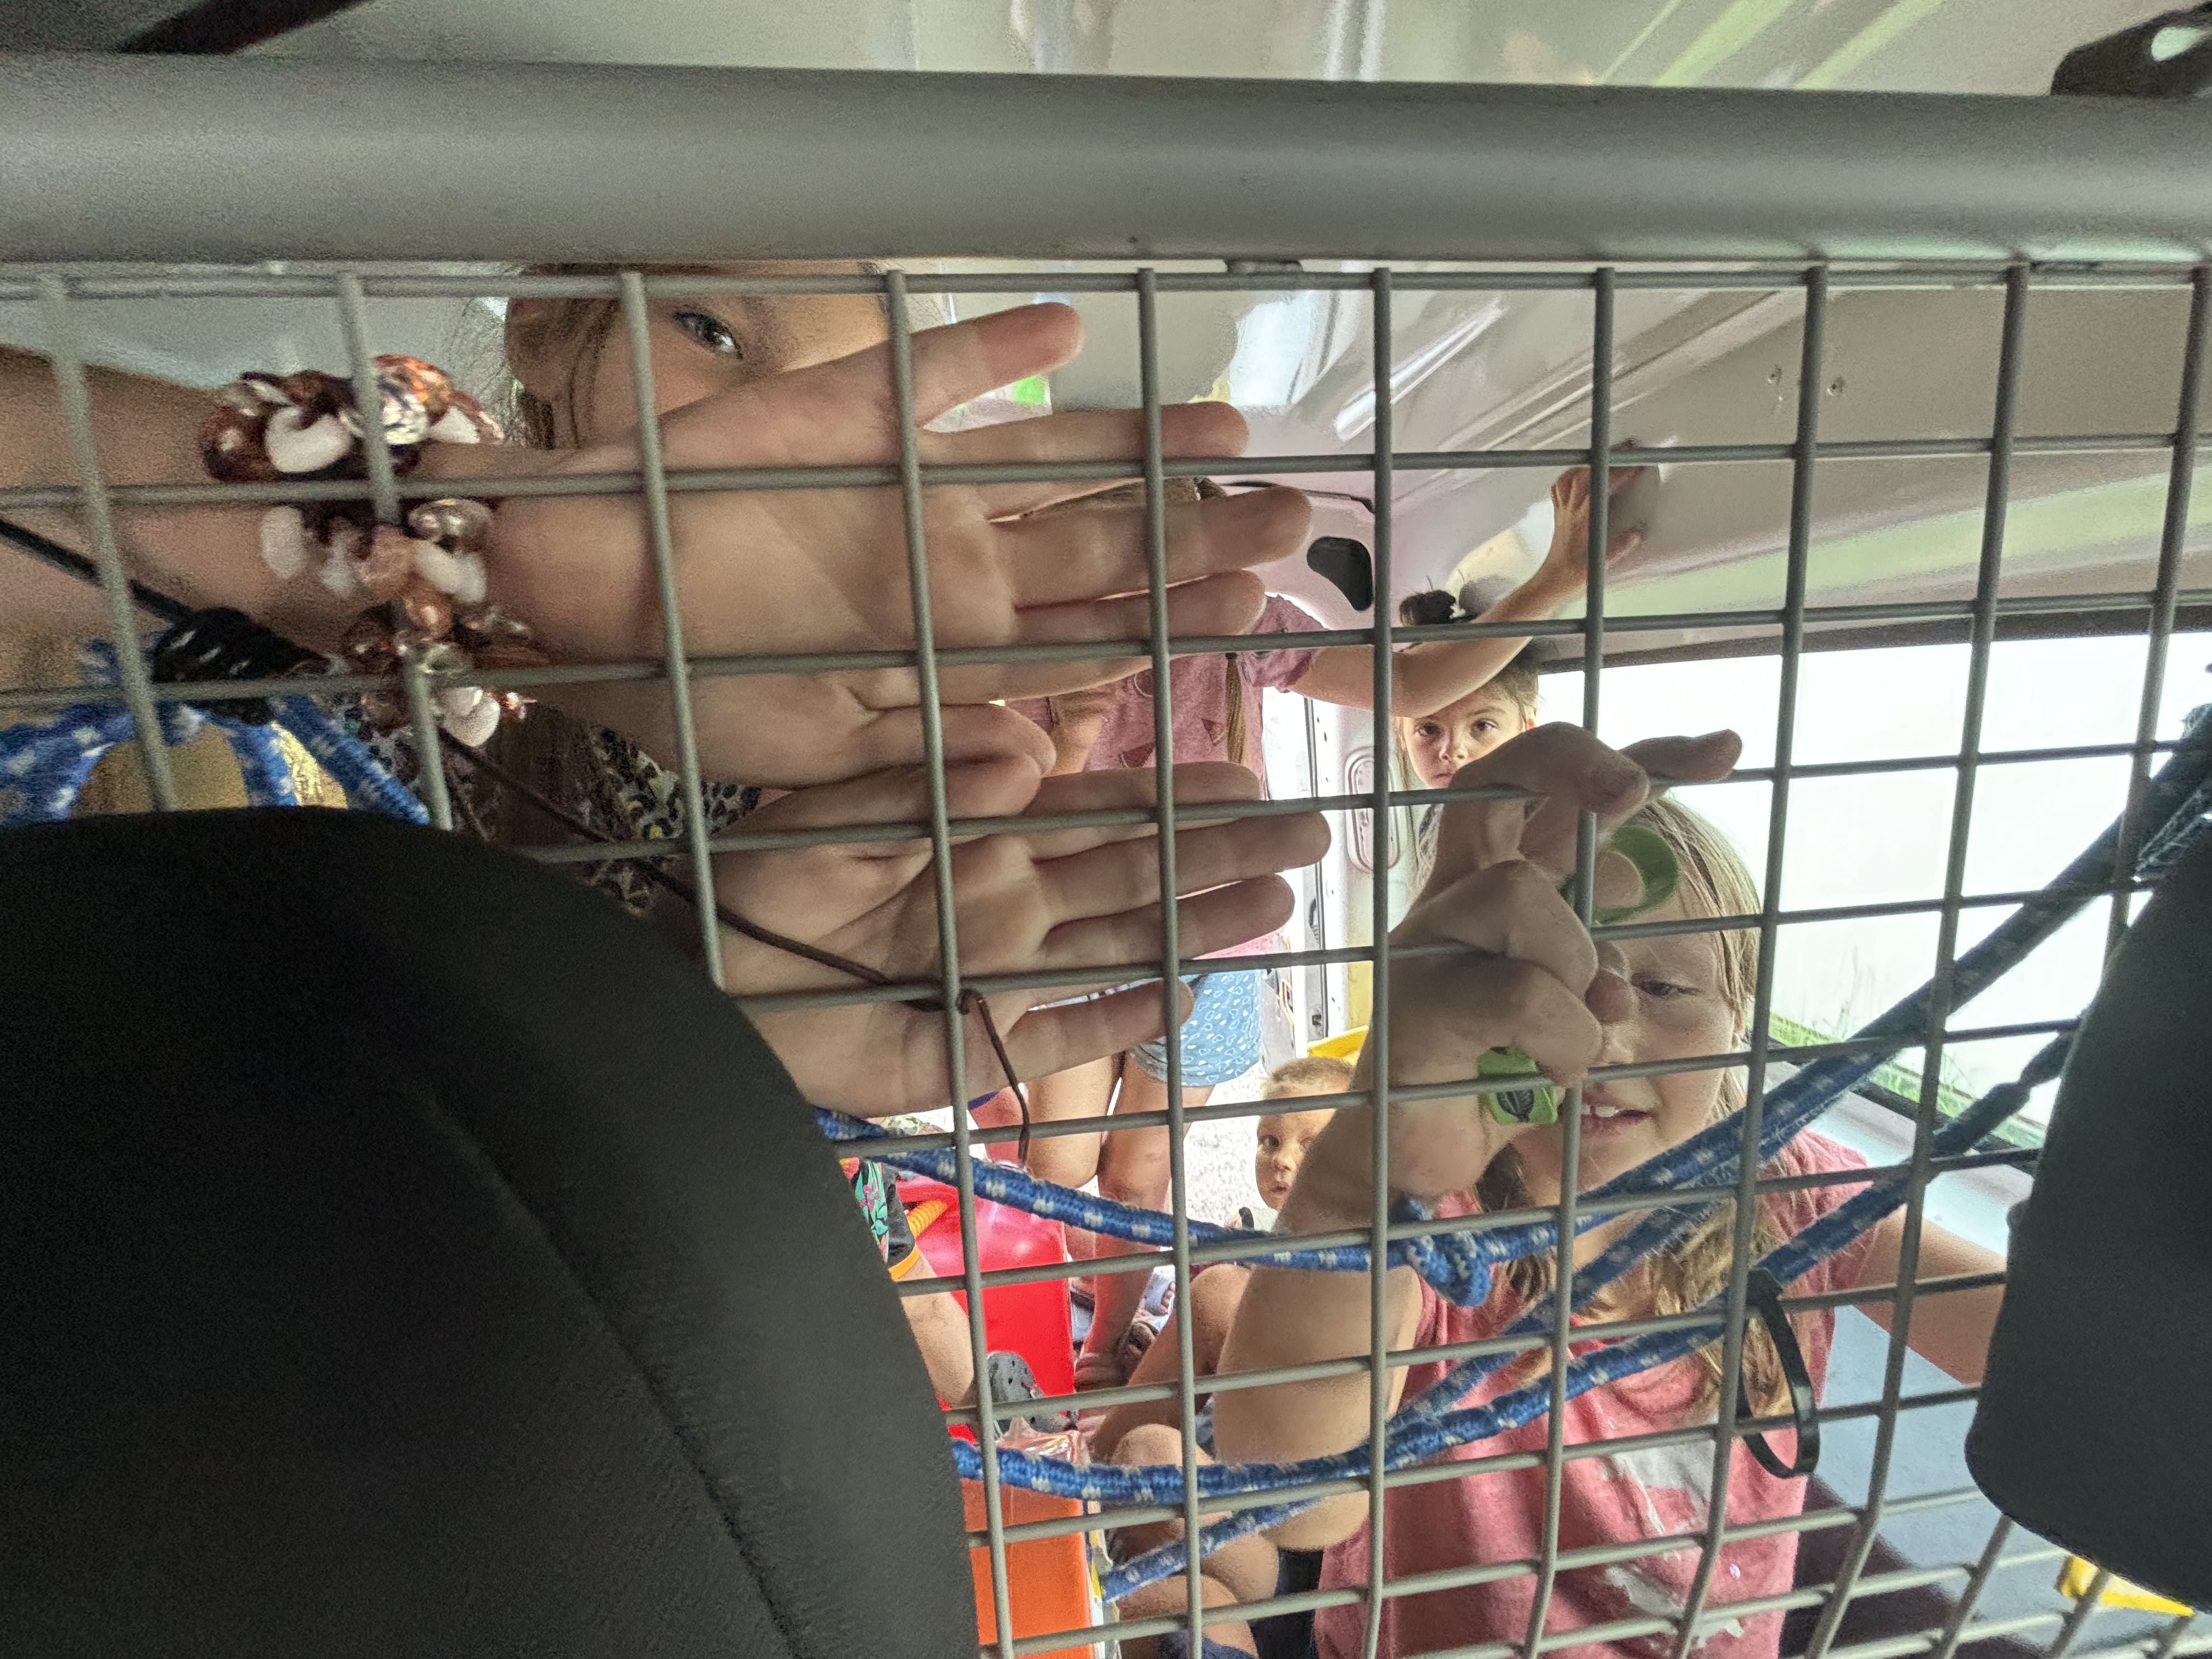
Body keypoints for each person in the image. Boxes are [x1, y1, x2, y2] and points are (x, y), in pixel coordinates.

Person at [1212, 723, 2008, 1659]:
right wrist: (1360, 1183)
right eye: (1552, 986)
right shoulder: (1434, 1225)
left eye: (1665, 990)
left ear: (1741, 1025)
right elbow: (1293, 1499)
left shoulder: (1793, 1189)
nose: (1603, 1040)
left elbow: (2029, 1339)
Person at [1011, 464, 1644, 1387]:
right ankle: (1071, 1284)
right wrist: (1073, 732)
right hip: (1084, 935)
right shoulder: (1040, 656)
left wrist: (1556, 580)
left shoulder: (1241, 631)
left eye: (1171, 559)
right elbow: (1017, 830)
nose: (1142, 586)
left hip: (1214, 946)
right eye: (1108, 562)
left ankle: (1103, 1345)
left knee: (1138, 1171)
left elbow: (1413, 684)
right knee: (1055, 1162)